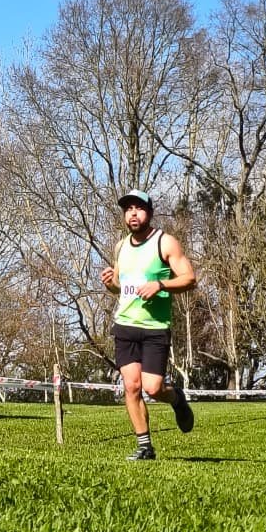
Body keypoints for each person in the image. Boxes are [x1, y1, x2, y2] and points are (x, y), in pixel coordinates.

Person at [100, 189, 197, 461]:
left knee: (153, 388)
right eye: (128, 209)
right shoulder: (121, 247)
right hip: (125, 326)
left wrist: (160, 284)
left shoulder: (164, 243)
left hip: (155, 328)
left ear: (150, 213)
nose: (133, 214)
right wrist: (110, 283)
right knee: (131, 386)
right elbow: (120, 287)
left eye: (139, 208)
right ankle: (145, 447)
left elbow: (189, 278)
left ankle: (177, 399)